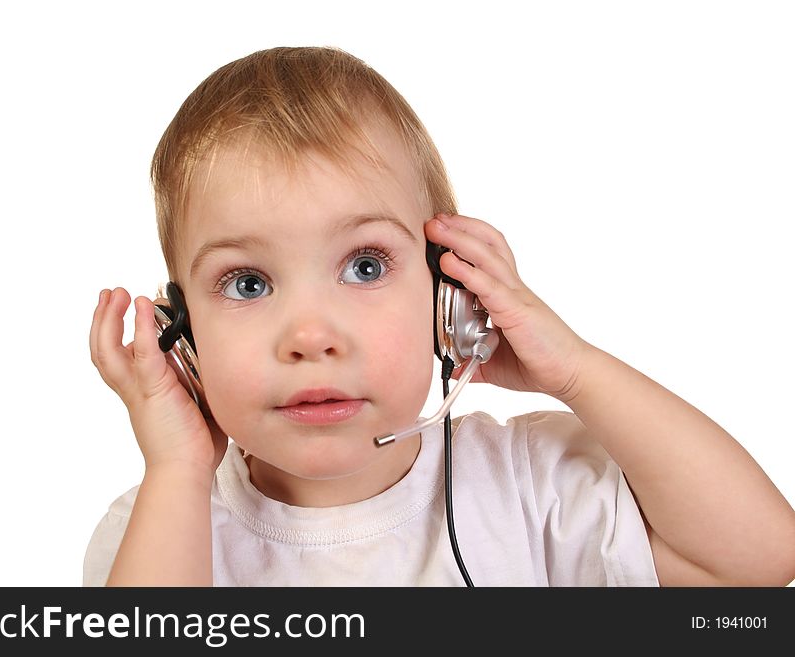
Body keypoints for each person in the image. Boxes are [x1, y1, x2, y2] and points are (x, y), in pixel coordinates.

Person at [85, 46, 795, 587]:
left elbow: (761, 558)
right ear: (182, 337)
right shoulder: (161, 525)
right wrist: (176, 467)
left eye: (364, 265)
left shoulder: (529, 482)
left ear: (447, 294)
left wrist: (576, 370)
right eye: (246, 282)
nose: (309, 337)